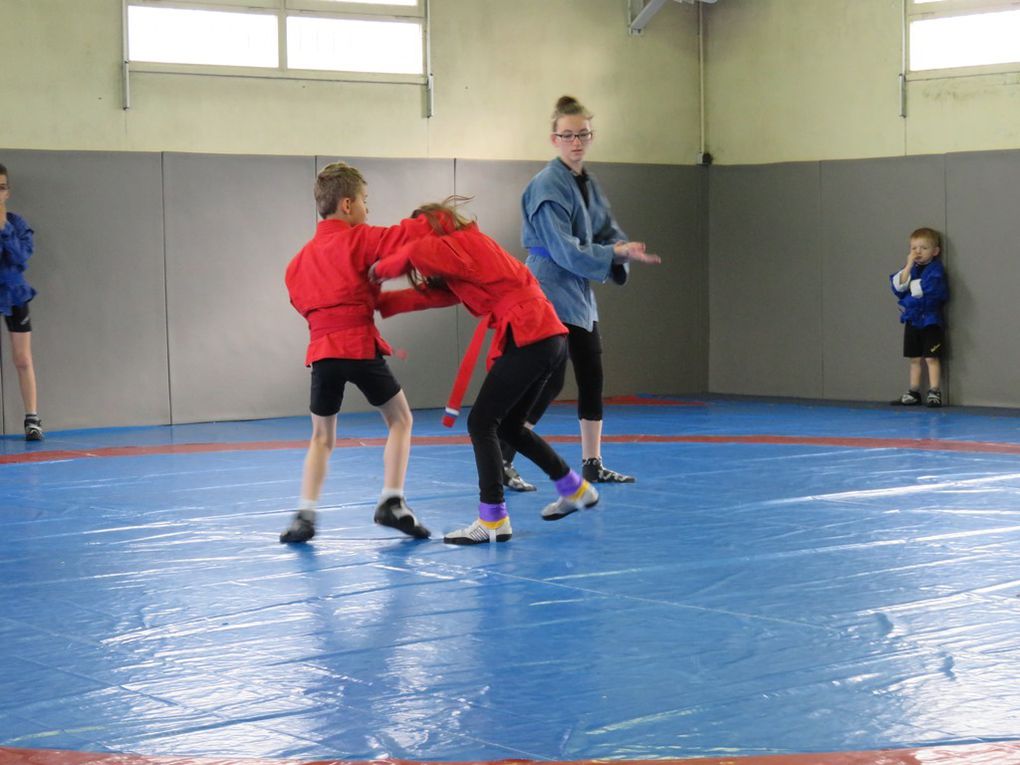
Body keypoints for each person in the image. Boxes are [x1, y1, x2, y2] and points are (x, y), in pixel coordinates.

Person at [370, 198, 610, 545]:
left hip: (531, 332)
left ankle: (493, 517)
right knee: (510, 426)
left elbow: (418, 254)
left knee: (481, 422)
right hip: (543, 334)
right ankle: (574, 488)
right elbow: (437, 295)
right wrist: (383, 303)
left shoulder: (461, 244)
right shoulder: (466, 252)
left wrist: (379, 270)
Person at [503, 94, 661, 489]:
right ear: (554, 139)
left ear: (592, 136)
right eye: (568, 135)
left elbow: (605, 231)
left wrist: (622, 251)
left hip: (576, 292)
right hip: (547, 288)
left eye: (583, 135)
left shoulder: (584, 183)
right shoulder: (546, 185)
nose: (576, 142)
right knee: (548, 379)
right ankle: (503, 457)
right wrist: (612, 254)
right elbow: (562, 249)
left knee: (592, 374)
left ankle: (593, 463)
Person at [279, 161, 440, 544]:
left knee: (321, 437)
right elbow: (404, 237)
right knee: (400, 419)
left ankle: (305, 513)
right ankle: (392, 500)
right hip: (359, 346)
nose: (369, 208)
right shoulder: (360, 238)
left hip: (322, 352)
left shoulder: (297, 262)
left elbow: (301, 301)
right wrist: (438, 219)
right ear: (348, 205)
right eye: (366, 201)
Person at [0, 163, 43, 441]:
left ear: (7, 192)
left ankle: (32, 418)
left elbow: (20, 258)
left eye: (1, 187)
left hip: (14, 293)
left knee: (22, 358)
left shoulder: (17, 223)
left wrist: (3, 229)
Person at [890, 227, 948, 408]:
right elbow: (899, 288)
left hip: (930, 321)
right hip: (913, 320)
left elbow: (934, 291)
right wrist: (908, 266)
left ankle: (934, 391)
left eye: (923, 248)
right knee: (914, 358)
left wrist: (915, 288)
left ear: (935, 251)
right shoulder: (911, 269)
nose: (918, 252)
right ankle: (913, 391)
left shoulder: (935, 270)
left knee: (931, 357)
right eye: (914, 248)